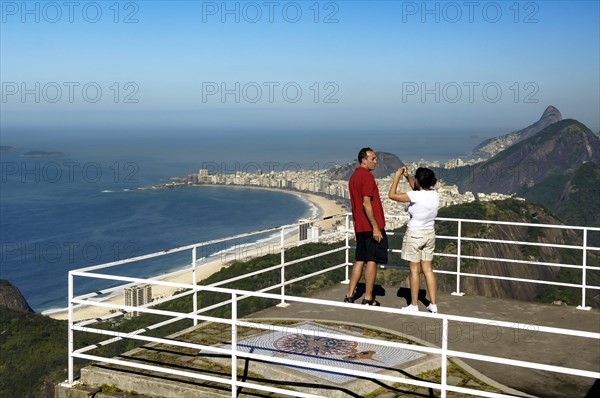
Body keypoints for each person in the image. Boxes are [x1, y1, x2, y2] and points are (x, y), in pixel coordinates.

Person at [388, 166, 439, 313]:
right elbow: (417, 188)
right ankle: (433, 305)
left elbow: (392, 195)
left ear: (418, 180)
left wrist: (397, 176)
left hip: (415, 234)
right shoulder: (434, 194)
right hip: (430, 233)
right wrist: (408, 176)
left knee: (414, 270)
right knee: (428, 270)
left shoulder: (415, 196)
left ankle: (414, 305)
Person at [344, 148, 388, 306]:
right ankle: (368, 297)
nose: (375, 161)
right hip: (370, 227)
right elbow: (365, 203)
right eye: (373, 158)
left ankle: (350, 295)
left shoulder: (353, 178)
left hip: (360, 227)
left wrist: (356, 225)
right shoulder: (367, 177)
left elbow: (354, 205)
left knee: (359, 260)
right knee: (372, 260)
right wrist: (375, 227)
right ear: (364, 160)